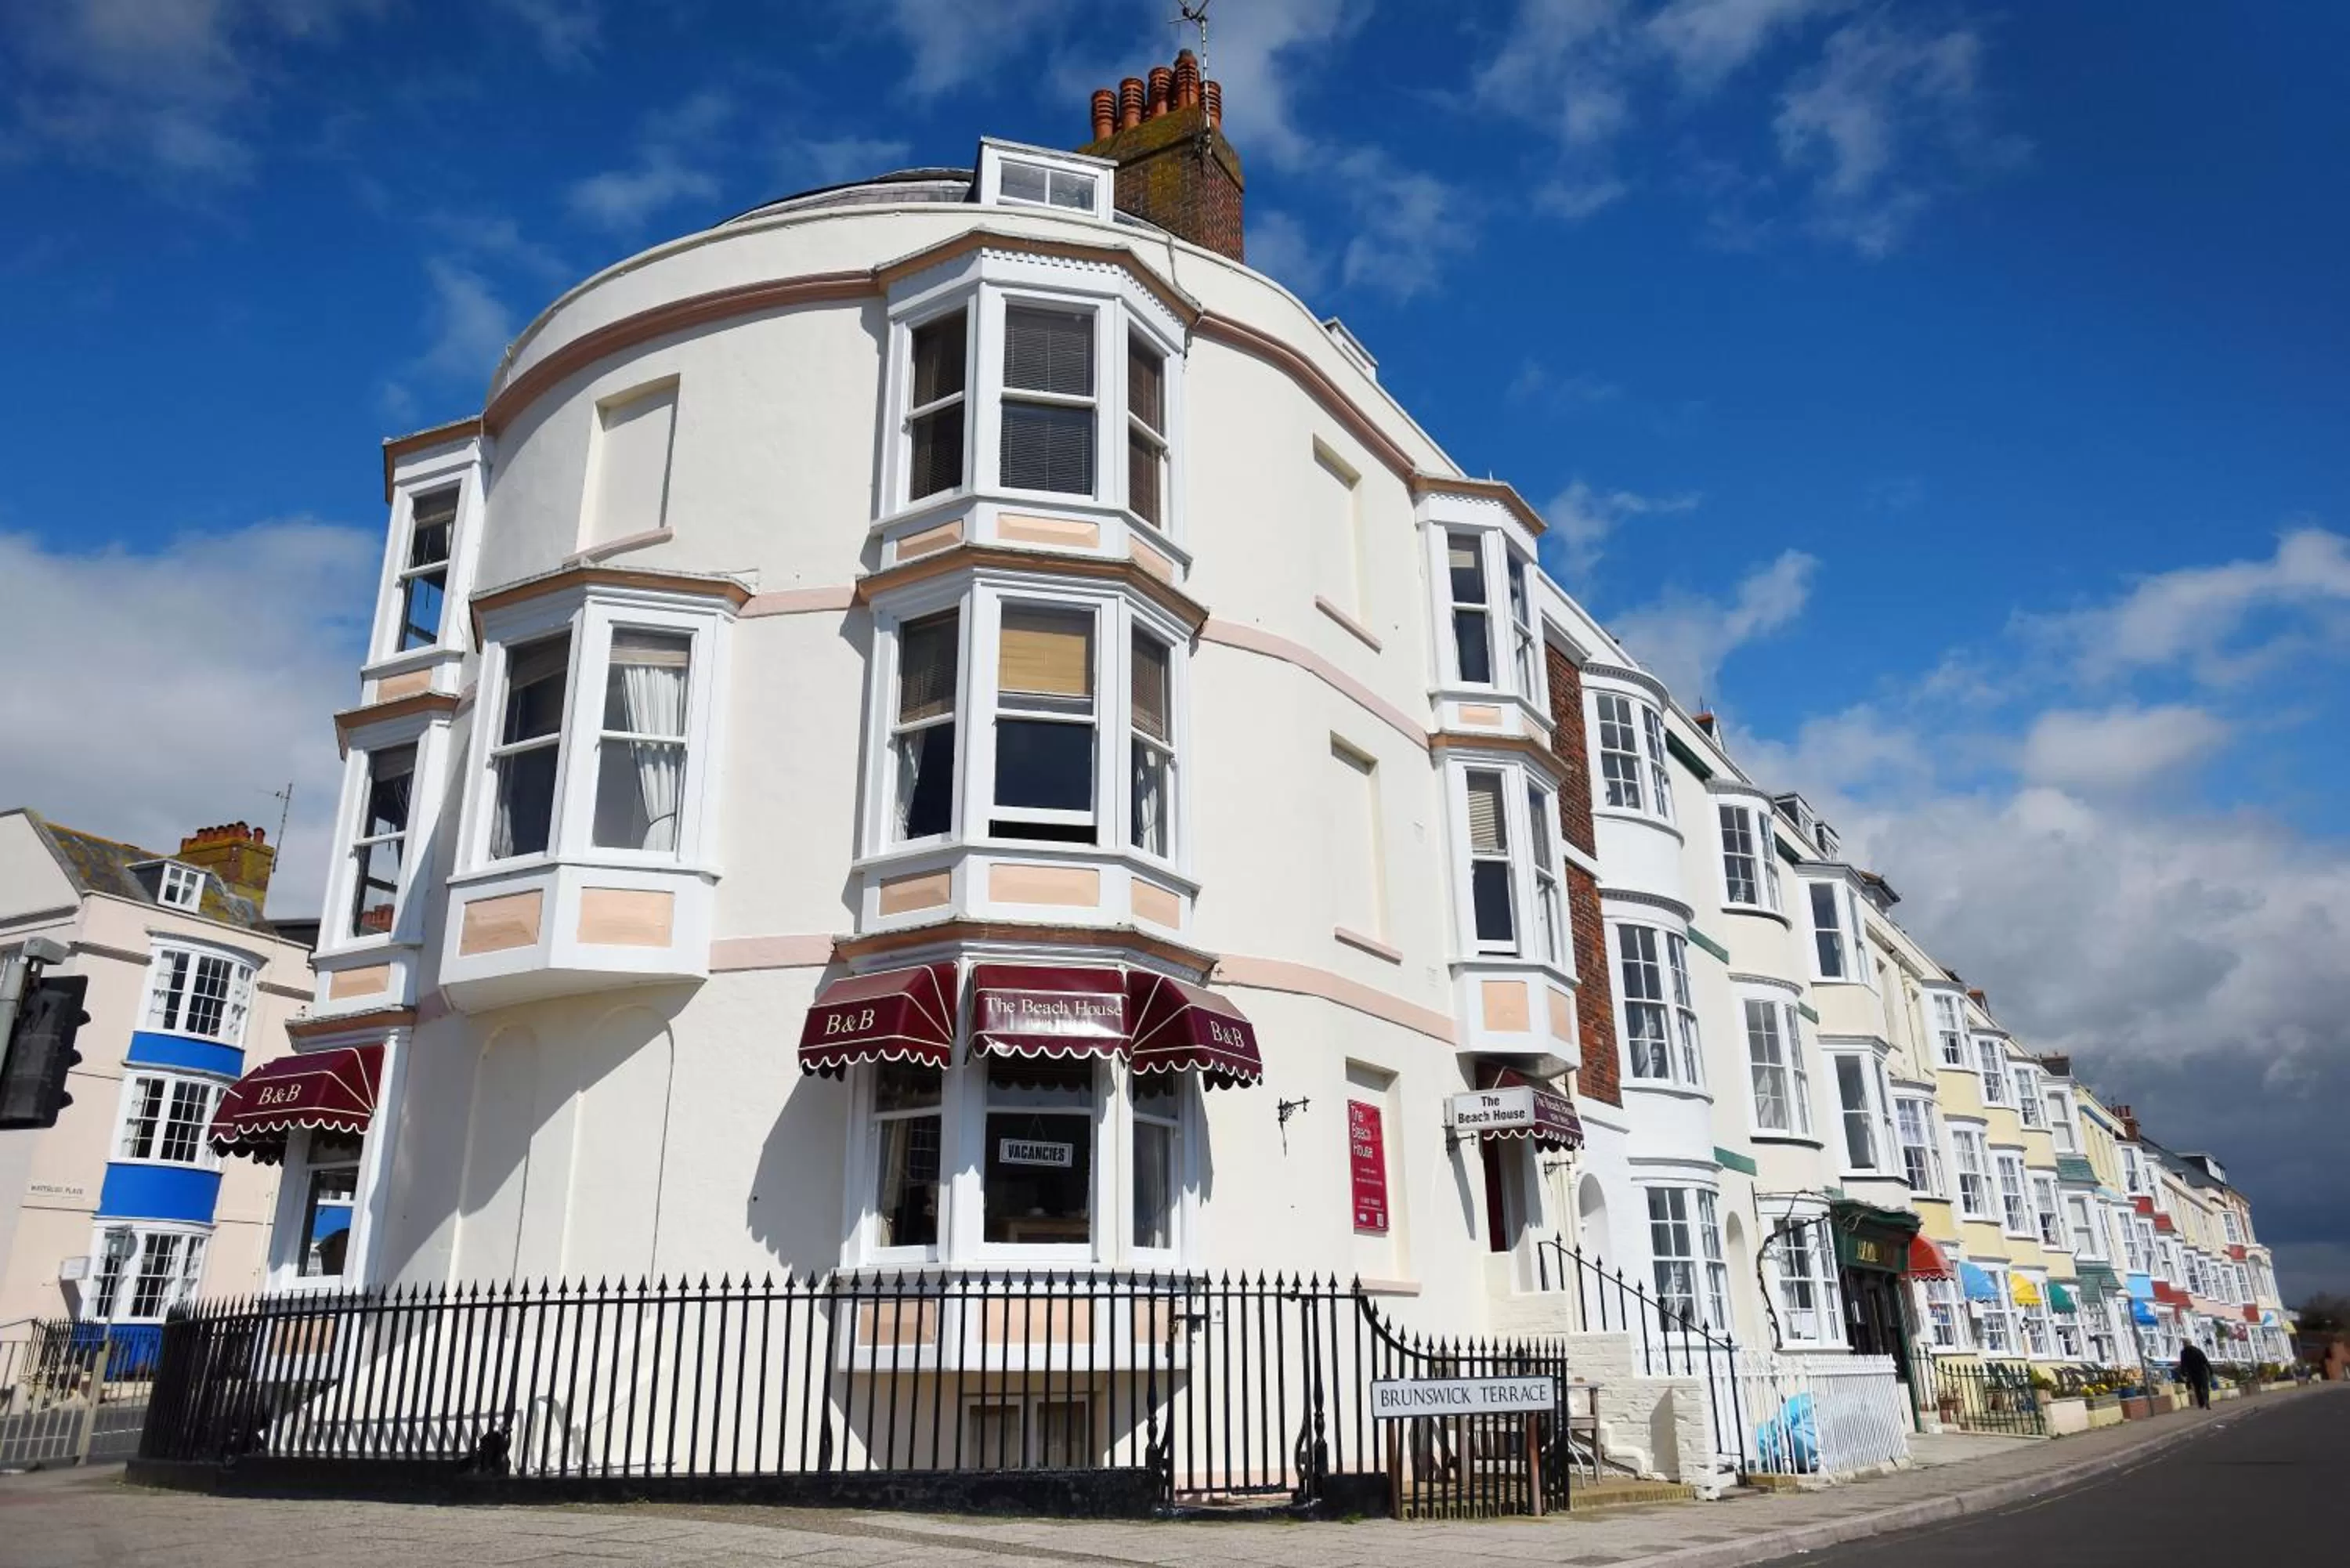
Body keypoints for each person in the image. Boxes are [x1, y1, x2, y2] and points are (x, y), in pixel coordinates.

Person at [2177, 1342, 2213, 1409]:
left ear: (2184, 1345)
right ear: (2191, 1343)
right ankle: (2206, 1400)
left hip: (2192, 1373)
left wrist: (2183, 1373)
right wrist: (2210, 1370)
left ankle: (2201, 1403)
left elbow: (2183, 1363)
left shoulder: (2183, 1353)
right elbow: (2205, 1360)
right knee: (2205, 1387)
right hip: (2202, 1371)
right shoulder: (2197, 1350)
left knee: (2197, 1388)